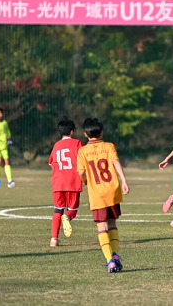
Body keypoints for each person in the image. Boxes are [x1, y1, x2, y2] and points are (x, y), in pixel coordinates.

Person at [77, 118, 130, 273]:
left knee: (102, 227)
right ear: (101, 132)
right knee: (112, 224)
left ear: (85, 135)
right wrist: (124, 181)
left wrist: (87, 181)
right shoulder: (109, 146)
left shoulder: (82, 151)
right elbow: (116, 163)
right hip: (112, 190)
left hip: (97, 193)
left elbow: (81, 172)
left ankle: (110, 261)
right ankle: (116, 255)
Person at [48, 117, 83, 247]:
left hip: (58, 182)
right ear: (72, 131)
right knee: (72, 210)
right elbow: (83, 159)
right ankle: (67, 217)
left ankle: (53, 239)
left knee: (58, 209)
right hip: (73, 181)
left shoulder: (56, 145)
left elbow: (51, 162)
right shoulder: (77, 143)